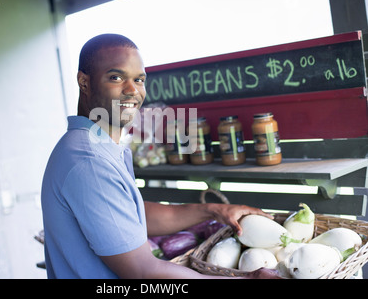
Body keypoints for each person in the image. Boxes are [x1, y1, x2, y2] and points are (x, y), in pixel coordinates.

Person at [41, 33, 280, 279]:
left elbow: (132, 215)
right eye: (116, 77)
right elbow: (143, 271)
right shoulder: (89, 161)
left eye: (139, 79)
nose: (132, 90)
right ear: (84, 82)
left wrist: (215, 210)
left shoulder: (94, 146)